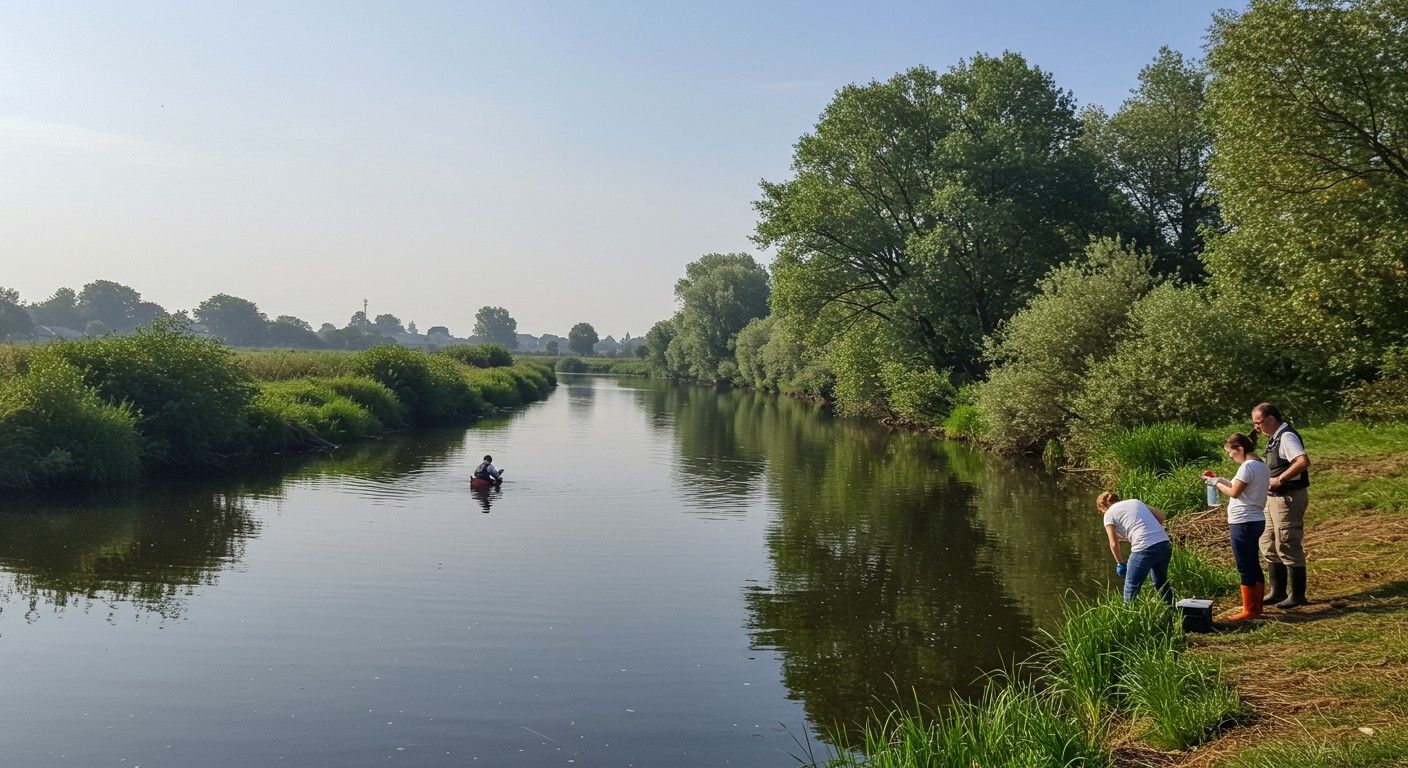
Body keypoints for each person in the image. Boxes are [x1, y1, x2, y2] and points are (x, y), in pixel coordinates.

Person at [1252, 402, 1310, 608]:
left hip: (1289, 497)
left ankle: (1298, 596)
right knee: (1267, 542)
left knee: (1287, 542)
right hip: (1273, 499)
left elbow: (1302, 461)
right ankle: (1277, 591)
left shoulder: (1286, 436)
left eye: (1258, 423)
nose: (1256, 428)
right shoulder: (1274, 438)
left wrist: (1280, 480)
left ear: (1270, 419)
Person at [1206, 433, 1269, 621]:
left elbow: (1234, 492)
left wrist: (1216, 483)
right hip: (1257, 519)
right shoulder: (1261, 466)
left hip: (1243, 521)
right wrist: (1222, 480)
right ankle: (1257, 607)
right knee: (1253, 562)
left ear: (1240, 449)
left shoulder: (1247, 467)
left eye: (1231, 453)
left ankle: (1249, 610)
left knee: (1244, 565)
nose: (1230, 457)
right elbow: (1241, 489)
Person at [1098, 491, 1173, 604]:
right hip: (1164, 544)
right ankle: (1172, 612)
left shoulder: (1108, 514)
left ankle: (1129, 616)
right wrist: (1130, 537)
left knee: (1131, 587)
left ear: (1103, 506)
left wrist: (1120, 563)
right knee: (1161, 583)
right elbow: (1161, 517)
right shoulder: (1135, 502)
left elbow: (1113, 543)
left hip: (1144, 549)